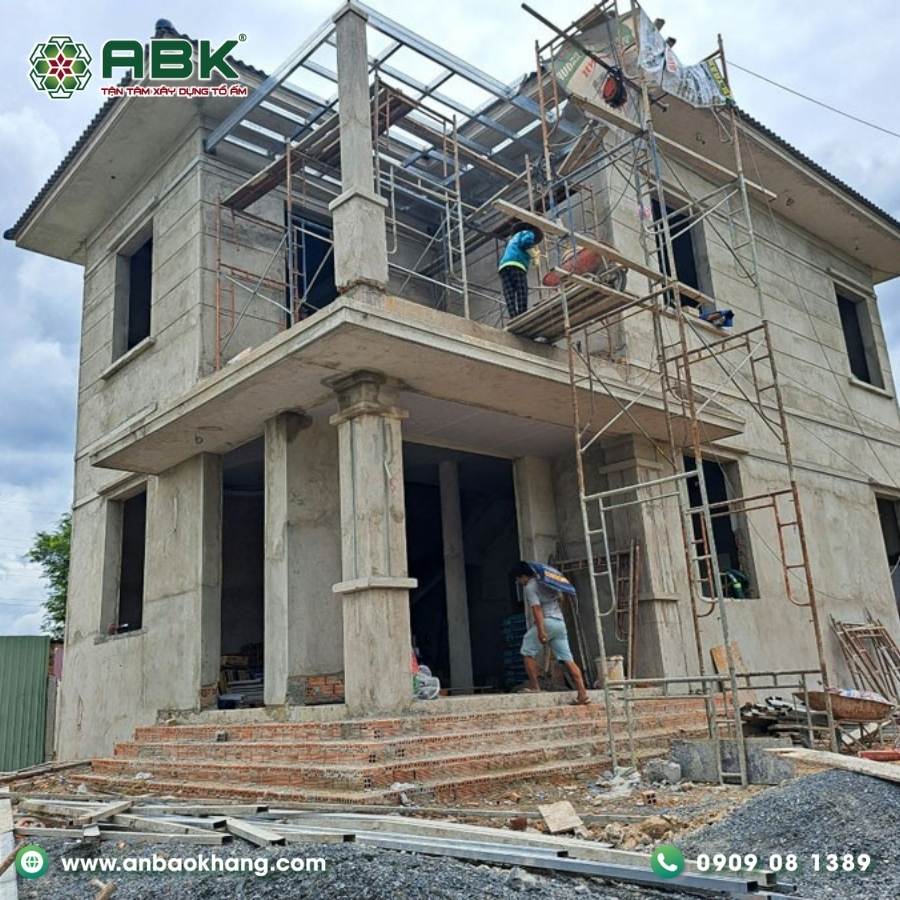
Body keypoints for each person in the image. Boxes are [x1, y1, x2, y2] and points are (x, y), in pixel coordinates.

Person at [510, 560, 590, 705]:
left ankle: (535, 686)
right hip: (559, 623)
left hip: (547, 622)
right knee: (568, 659)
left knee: (526, 651)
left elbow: (536, 609)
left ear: (522, 576)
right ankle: (582, 693)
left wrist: (541, 630)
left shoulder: (530, 587)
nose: (518, 582)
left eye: (518, 579)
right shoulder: (547, 582)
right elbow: (561, 599)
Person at [498, 224, 543, 319]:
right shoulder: (527, 233)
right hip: (516, 264)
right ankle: (522, 314)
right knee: (521, 290)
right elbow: (526, 243)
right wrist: (534, 255)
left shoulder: (513, 239)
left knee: (509, 293)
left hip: (504, 267)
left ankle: (513, 316)